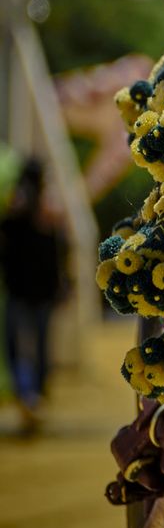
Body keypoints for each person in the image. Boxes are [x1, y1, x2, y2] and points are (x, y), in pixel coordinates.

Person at [0, 158, 65, 434]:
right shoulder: (36, 212)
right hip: (30, 290)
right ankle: (32, 394)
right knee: (33, 346)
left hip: (25, 290)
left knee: (24, 346)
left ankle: (32, 395)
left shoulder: (38, 212)